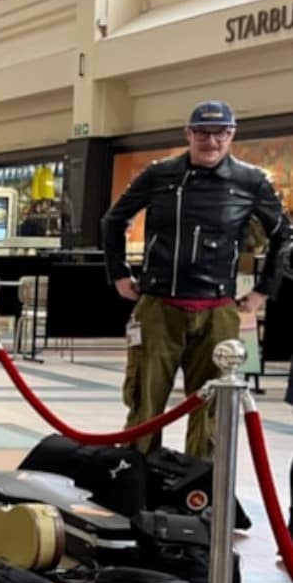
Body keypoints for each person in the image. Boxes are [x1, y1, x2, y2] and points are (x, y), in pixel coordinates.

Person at [102, 100, 292, 456]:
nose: (212, 141)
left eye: (221, 133)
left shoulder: (250, 181)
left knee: (211, 411)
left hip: (217, 310)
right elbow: (113, 221)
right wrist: (119, 274)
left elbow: (284, 235)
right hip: (158, 305)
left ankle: (199, 484)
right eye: (203, 133)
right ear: (189, 133)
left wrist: (264, 291)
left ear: (232, 134)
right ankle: (137, 478)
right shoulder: (159, 174)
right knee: (144, 402)